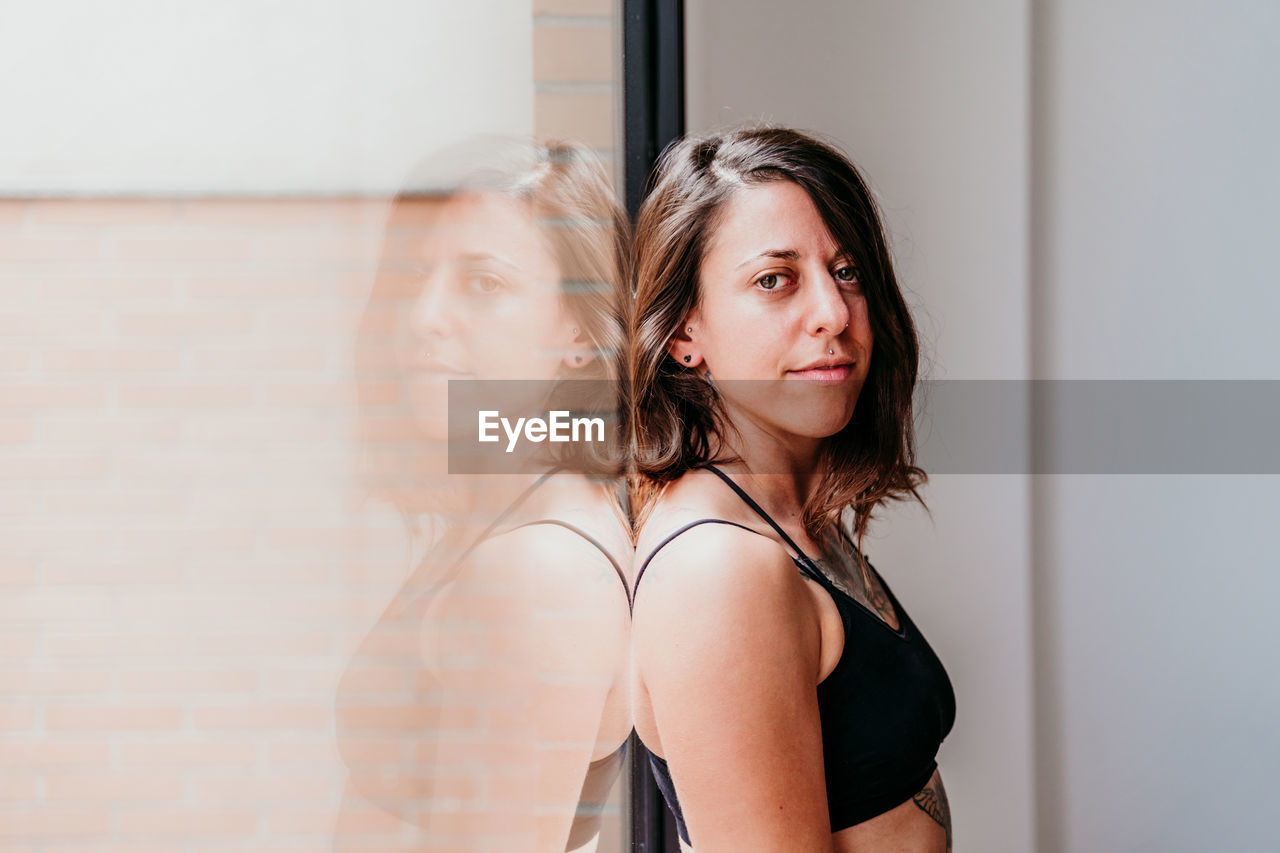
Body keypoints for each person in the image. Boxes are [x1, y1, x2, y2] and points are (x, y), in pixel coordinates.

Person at [627, 127, 956, 852]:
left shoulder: (792, 520)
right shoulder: (718, 569)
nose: (834, 315)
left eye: (846, 273)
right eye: (775, 279)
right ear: (685, 331)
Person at [334, 138, 633, 852]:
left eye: (482, 283)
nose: (423, 316)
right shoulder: (497, 523)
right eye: (414, 277)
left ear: (578, 334)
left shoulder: (538, 570)